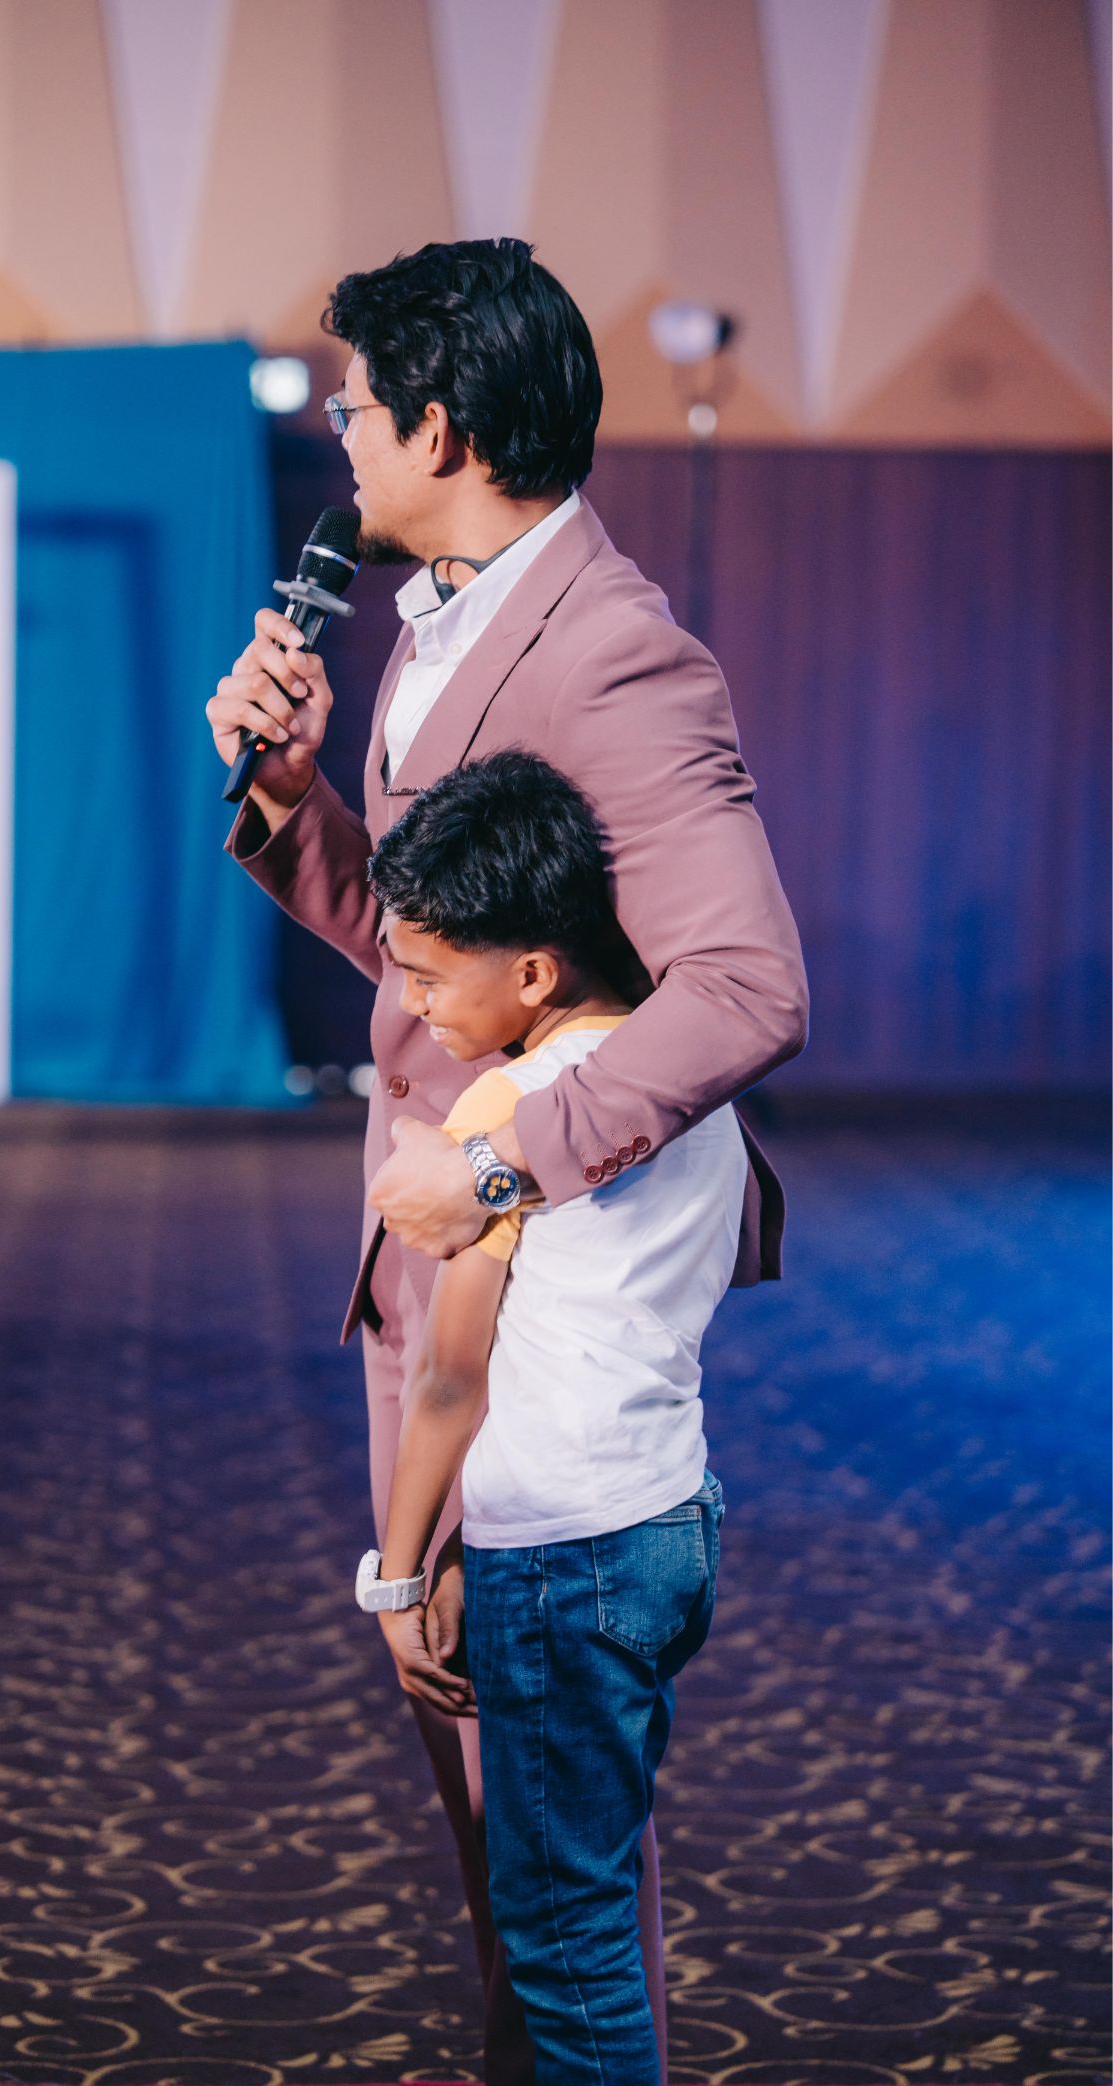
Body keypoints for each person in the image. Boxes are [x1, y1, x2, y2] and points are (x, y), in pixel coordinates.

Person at [206, 237, 808, 2086]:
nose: (339, 438)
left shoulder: (615, 650)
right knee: (487, 1782)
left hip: (525, 1280)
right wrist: (290, 801)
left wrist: (499, 1171)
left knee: (550, 1814)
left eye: (355, 410)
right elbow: (436, 967)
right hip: (431, 1250)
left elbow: (747, 986)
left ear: (443, 427)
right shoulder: (437, 617)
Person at [359, 749, 738, 2084]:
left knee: (566, 1940)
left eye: (425, 974)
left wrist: (397, 1571)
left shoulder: (502, 1114)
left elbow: (448, 1375)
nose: (409, 1003)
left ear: (530, 971)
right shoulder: (687, 1085)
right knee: (586, 1890)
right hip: (668, 1526)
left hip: (564, 1556)